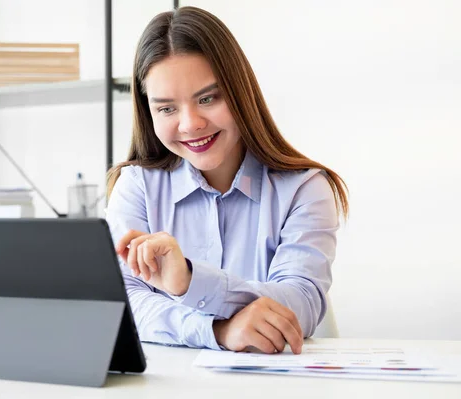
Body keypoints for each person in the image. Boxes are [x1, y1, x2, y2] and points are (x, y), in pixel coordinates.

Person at [105, 6, 348, 354]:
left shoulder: (304, 188)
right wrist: (217, 331)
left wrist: (189, 280)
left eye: (208, 98)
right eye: (167, 108)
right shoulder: (136, 186)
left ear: (239, 92)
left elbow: (301, 302)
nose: (190, 124)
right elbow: (125, 303)